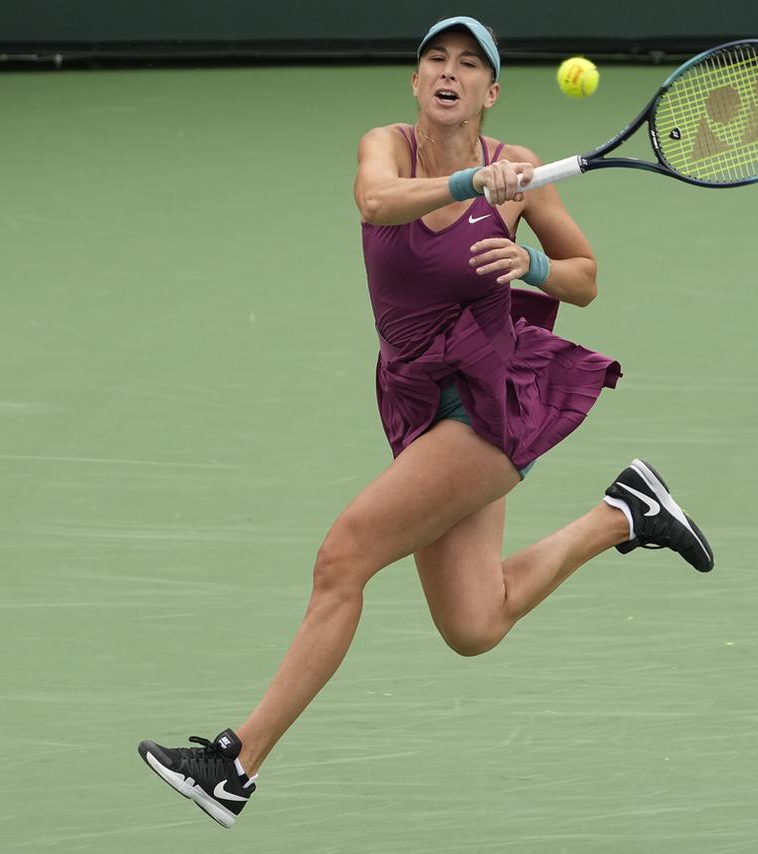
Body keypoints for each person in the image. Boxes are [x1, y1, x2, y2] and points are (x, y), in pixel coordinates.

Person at [136, 15, 714, 829]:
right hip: (412, 394)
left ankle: (235, 763)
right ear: (416, 84)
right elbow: (377, 204)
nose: (449, 72)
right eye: (435, 60)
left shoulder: (520, 171)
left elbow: (585, 280)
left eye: (469, 64)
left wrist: (531, 262)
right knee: (474, 624)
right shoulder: (387, 148)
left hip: (490, 396)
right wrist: (468, 189)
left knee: (344, 556)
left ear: (490, 90)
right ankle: (626, 513)